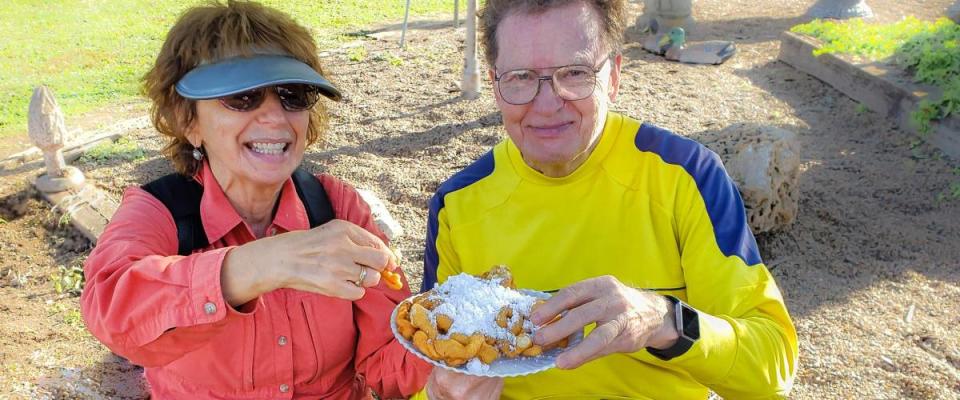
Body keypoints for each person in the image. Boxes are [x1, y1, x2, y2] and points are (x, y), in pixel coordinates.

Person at [418, 0, 798, 398]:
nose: (547, 104)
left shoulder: (684, 177)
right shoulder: (457, 205)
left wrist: (665, 321)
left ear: (614, 76)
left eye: (575, 73)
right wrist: (438, 395)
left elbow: (772, 371)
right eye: (520, 77)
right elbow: (425, 369)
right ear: (496, 85)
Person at [79, 1, 431, 398]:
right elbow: (111, 312)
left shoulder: (336, 207)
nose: (274, 118)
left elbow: (386, 359)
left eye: (292, 95)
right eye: (242, 97)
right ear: (187, 120)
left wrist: (443, 369)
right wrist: (259, 266)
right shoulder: (160, 211)